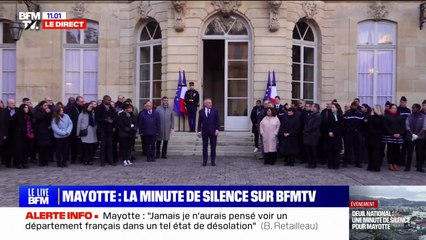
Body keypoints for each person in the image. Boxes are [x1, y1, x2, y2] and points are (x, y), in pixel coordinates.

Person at [95, 95, 118, 166]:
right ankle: (102, 161)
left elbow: (115, 118)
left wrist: (112, 122)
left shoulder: (112, 108)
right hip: (102, 129)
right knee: (103, 145)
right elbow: (97, 118)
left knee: (110, 145)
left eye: (110, 100)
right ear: (104, 100)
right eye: (107, 100)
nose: (109, 101)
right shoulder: (98, 108)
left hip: (110, 129)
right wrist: (105, 120)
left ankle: (110, 160)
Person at [197, 98, 220, 166]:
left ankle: (213, 161)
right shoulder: (201, 111)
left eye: (211, 103)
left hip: (213, 132)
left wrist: (217, 129)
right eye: (209, 103)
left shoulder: (215, 110)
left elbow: (217, 121)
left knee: (213, 147)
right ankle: (205, 161)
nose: (211, 104)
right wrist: (199, 131)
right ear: (205, 104)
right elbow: (199, 122)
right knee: (204, 148)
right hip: (205, 132)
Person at [383, 104, 405, 171]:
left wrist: (400, 133)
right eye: (392, 108)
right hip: (390, 136)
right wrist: (392, 133)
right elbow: (385, 126)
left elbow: (402, 126)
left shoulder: (400, 116)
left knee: (397, 151)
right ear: (389, 109)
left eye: (395, 108)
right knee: (390, 150)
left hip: (398, 136)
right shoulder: (386, 116)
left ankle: (395, 163)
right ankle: (390, 163)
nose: (394, 109)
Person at [343, 101, 364, 168]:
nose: (354, 107)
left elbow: (362, 124)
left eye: (355, 106)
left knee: (357, 149)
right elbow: (344, 123)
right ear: (351, 106)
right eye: (353, 106)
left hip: (357, 133)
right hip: (349, 133)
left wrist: (359, 130)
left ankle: (358, 162)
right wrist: (347, 130)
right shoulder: (347, 113)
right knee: (347, 148)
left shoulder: (360, 114)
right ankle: (345, 162)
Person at [364, 105, 385, 172]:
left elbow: (370, 127)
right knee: (374, 153)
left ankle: (373, 166)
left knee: (374, 153)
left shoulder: (373, 118)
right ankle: (374, 167)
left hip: (374, 137)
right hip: (376, 137)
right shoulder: (381, 118)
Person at [405, 104, 426, 172]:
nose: (412, 109)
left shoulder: (423, 116)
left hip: (420, 137)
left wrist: (417, 135)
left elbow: (424, 127)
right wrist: (412, 134)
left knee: (419, 153)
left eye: (413, 108)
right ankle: (407, 167)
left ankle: (419, 167)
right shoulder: (409, 116)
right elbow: (407, 126)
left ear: (418, 109)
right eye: (412, 107)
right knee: (409, 152)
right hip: (410, 137)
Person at [13, 104, 34, 169]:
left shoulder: (29, 116)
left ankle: (24, 162)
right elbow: (13, 124)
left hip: (26, 135)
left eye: (27, 108)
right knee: (19, 149)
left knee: (25, 149)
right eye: (25, 108)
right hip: (19, 135)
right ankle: (19, 163)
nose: (26, 109)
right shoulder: (17, 115)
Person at [65, 96, 85, 164]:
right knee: (73, 145)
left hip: (82, 129)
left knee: (82, 145)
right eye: (81, 102)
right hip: (74, 129)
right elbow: (71, 119)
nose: (83, 103)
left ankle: (82, 158)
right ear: (77, 101)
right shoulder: (72, 108)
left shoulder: (83, 108)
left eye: (83, 101)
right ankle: (73, 158)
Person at [33, 101, 53, 166]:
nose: (46, 107)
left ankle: (46, 161)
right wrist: (45, 112)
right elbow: (39, 118)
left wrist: (50, 124)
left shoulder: (48, 111)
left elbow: (50, 119)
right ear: (41, 106)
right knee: (41, 147)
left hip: (47, 131)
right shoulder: (37, 111)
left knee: (47, 147)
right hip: (40, 131)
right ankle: (41, 161)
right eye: (45, 105)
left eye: (47, 105)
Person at [324, 103, 344, 169]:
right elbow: (326, 125)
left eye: (333, 107)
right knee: (330, 150)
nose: (332, 108)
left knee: (336, 151)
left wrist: (334, 132)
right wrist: (329, 131)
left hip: (337, 135)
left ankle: (336, 164)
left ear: (337, 109)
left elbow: (340, 126)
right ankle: (330, 164)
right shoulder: (329, 116)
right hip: (330, 135)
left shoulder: (340, 116)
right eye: (331, 107)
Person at [303, 103, 322, 168]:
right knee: (308, 150)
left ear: (316, 108)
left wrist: (308, 130)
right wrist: (305, 130)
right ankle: (310, 162)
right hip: (307, 134)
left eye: (312, 107)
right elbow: (306, 123)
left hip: (314, 135)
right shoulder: (309, 115)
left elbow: (315, 126)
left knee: (313, 150)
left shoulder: (318, 115)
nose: (311, 108)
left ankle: (314, 163)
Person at [3, 99, 18, 168]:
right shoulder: (4, 111)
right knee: (7, 149)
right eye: (12, 103)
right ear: (8, 104)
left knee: (16, 148)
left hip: (16, 132)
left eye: (14, 103)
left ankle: (15, 162)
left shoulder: (18, 110)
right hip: (7, 132)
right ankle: (7, 163)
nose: (14, 104)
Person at [397, 96, 411, 167]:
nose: (403, 104)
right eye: (402, 102)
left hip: (406, 131)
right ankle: (397, 161)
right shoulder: (397, 110)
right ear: (400, 102)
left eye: (405, 102)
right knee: (397, 147)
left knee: (404, 147)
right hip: (399, 130)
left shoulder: (408, 110)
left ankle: (402, 161)